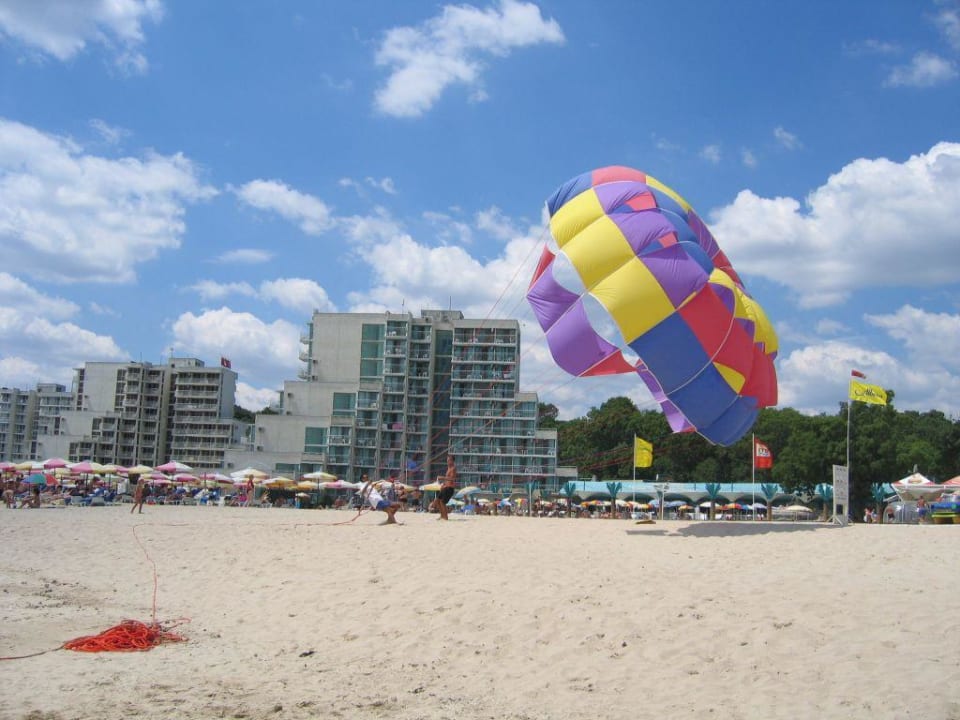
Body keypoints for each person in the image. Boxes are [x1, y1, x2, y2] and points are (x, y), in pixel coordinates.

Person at [434, 455, 458, 521]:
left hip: (449, 488)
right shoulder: (449, 468)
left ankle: (445, 517)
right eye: (447, 460)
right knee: (437, 500)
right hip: (445, 487)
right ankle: (442, 516)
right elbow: (447, 480)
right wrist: (443, 484)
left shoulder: (453, 468)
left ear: (452, 461)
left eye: (449, 460)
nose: (447, 461)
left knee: (442, 502)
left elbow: (452, 479)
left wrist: (442, 477)